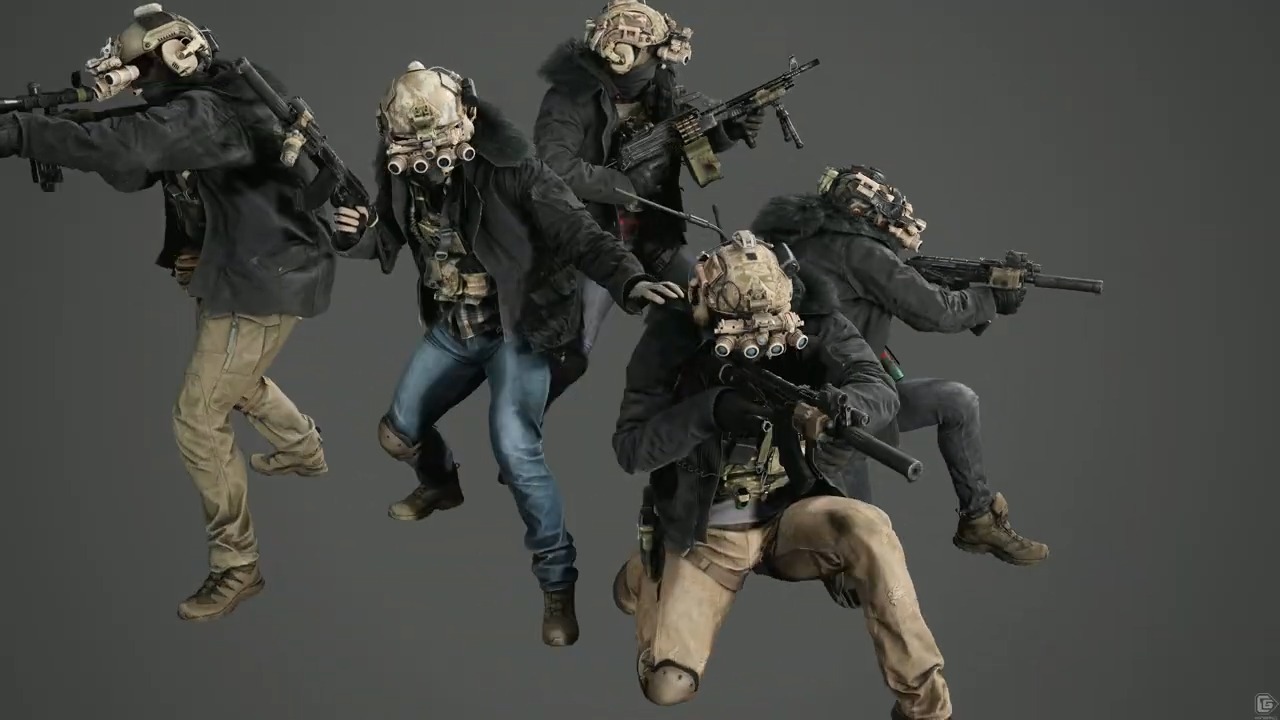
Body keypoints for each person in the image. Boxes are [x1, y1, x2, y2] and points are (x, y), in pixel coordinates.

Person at [330, 62, 683, 647]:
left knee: (517, 452)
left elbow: (580, 233)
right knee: (397, 433)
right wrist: (351, 236)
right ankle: (441, 483)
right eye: (412, 147)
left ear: (467, 119)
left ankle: (557, 580)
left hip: (520, 329)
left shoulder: (517, 170)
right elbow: (387, 237)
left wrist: (630, 279)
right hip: (454, 326)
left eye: (439, 144)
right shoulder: (399, 173)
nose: (427, 159)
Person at [0, 4, 333, 621]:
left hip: (261, 281)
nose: (130, 79)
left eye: (137, 68)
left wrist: (28, 134)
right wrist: (66, 124)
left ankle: (238, 566)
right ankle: (303, 449)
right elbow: (136, 163)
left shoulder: (211, 110)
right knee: (236, 380)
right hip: (239, 267)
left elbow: (134, 143)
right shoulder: (209, 95)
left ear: (171, 60)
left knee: (198, 418)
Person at [609, 230, 953, 719]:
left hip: (791, 510)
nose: (761, 340)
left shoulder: (814, 320)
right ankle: (642, 571)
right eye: (741, 330)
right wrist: (711, 411)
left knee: (870, 530)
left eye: (772, 325)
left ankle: (926, 706)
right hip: (705, 531)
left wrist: (842, 406)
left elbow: (877, 388)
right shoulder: (671, 339)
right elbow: (631, 450)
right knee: (668, 686)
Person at [749, 164, 1049, 567]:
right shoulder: (860, 251)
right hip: (840, 403)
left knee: (957, 401)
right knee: (863, 548)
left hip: (806, 386)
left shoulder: (799, 238)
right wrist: (990, 299)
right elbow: (934, 312)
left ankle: (978, 519)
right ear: (864, 211)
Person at [531, 0, 766, 399]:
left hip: (654, 238)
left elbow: (698, 138)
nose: (660, 61)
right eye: (652, 52)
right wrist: (622, 184)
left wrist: (732, 128)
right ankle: (523, 421)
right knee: (571, 351)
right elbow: (554, 167)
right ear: (623, 53)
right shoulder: (569, 100)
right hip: (594, 242)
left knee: (717, 313)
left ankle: (709, 408)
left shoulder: (662, 92)